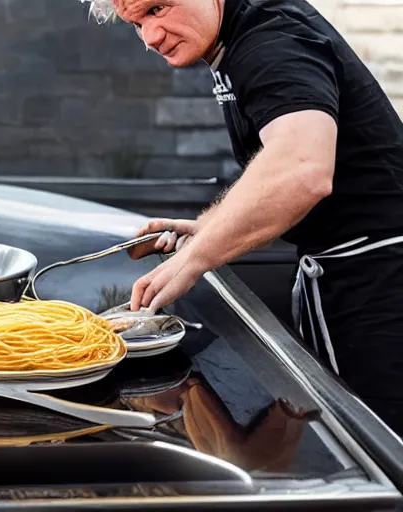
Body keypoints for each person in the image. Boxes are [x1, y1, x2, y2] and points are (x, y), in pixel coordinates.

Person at [79, 0, 403, 435]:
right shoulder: (240, 34)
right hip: (358, 271)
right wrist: (208, 229)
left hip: (379, 280)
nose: (151, 38)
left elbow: (302, 169)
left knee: (383, 448)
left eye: (158, 9)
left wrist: (192, 261)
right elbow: (280, 170)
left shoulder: (271, 39)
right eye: (137, 24)